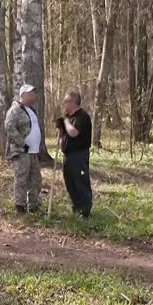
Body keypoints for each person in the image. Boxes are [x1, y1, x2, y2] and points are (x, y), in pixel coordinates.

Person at [4, 84, 45, 214]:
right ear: (23, 95)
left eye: (34, 93)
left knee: (36, 179)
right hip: (21, 151)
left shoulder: (32, 110)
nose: (34, 96)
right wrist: (22, 143)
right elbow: (9, 127)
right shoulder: (15, 110)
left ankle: (33, 205)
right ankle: (20, 207)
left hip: (33, 152)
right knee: (21, 178)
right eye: (31, 93)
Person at [56, 90, 93, 219]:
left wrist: (65, 122)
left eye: (66, 101)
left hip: (79, 155)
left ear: (73, 102)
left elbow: (73, 133)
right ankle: (76, 206)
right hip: (68, 155)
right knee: (70, 182)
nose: (64, 103)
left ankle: (85, 211)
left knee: (80, 182)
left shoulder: (82, 117)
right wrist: (61, 129)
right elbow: (64, 136)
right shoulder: (69, 117)